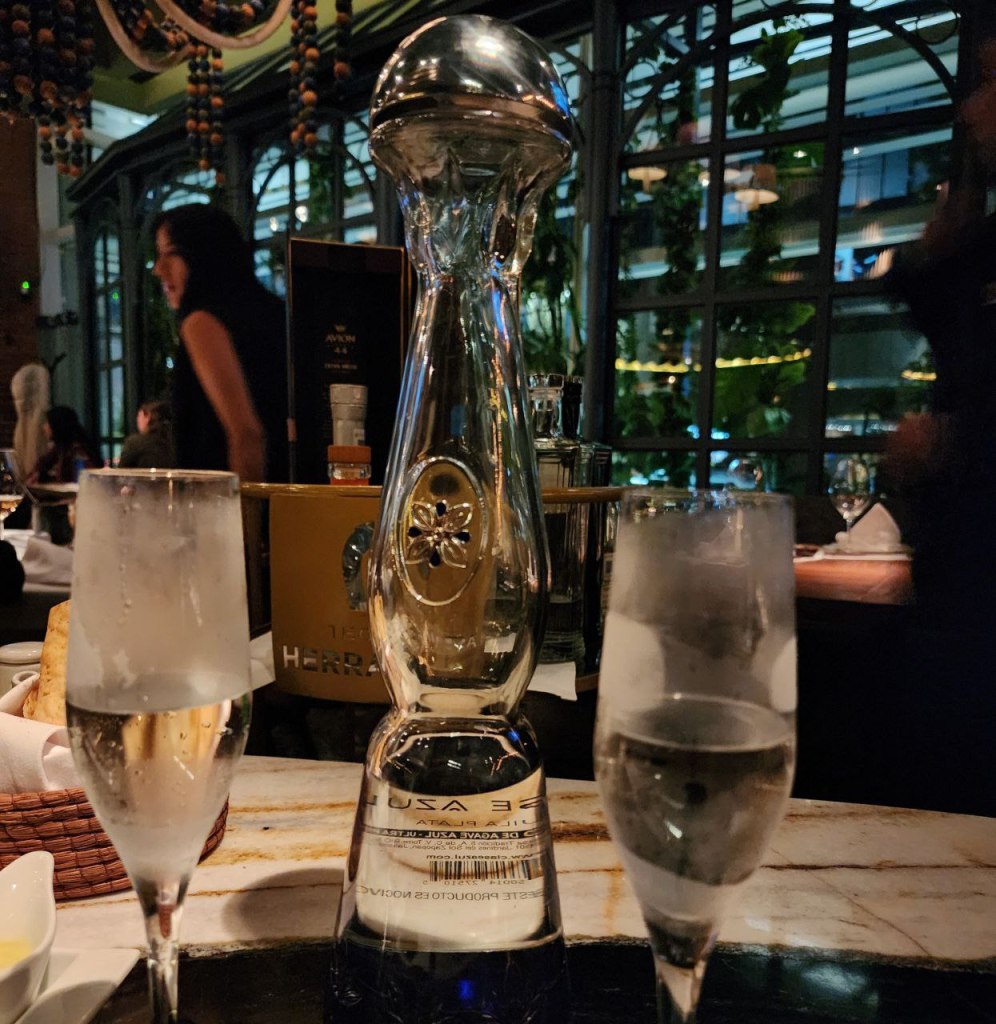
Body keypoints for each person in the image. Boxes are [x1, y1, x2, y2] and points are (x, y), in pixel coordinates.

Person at [885, 39, 996, 636]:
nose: (970, 108)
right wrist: (934, 254)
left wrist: (952, 443)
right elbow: (938, 311)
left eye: (991, 81)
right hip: (955, 574)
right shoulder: (982, 242)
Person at [151, 203, 288, 482]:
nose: (158, 269)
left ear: (202, 255)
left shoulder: (202, 322)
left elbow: (247, 436)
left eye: (170, 254)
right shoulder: (275, 311)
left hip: (223, 501)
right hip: (287, 496)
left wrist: (245, 510)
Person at [26, 406, 100, 485]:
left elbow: (77, 482)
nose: (44, 427)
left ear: (56, 425)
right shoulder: (60, 449)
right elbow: (40, 470)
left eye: (47, 423)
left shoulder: (77, 451)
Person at [119, 399, 176, 469]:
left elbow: (122, 471)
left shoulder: (135, 443)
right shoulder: (171, 443)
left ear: (148, 418)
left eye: (139, 416)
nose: (137, 420)